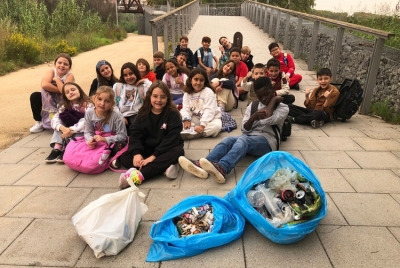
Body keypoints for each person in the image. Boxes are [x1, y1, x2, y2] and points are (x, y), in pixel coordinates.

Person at [179, 77, 289, 184]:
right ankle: (203, 164)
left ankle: (223, 168)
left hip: (268, 142)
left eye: (267, 94)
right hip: (250, 136)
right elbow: (244, 129)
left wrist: (274, 100)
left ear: (273, 90)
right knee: (228, 140)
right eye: (260, 96)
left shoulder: (283, 108)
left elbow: (267, 120)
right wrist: (253, 117)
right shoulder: (253, 105)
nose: (264, 98)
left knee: (244, 141)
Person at [119, 81, 184, 188]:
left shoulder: (173, 114)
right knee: (124, 153)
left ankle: (140, 175)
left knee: (178, 151)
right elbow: (135, 133)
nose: (158, 100)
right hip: (147, 149)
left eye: (163, 97)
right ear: (149, 97)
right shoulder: (143, 112)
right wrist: (136, 153)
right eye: (155, 96)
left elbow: (172, 138)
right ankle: (163, 168)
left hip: (165, 149)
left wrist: (154, 156)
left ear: (167, 98)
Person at [46, 82, 93, 163]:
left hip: (82, 131)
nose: (70, 92)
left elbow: (88, 121)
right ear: (65, 96)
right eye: (67, 92)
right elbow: (54, 120)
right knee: (59, 122)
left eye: (73, 90)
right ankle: (58, 147)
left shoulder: (88, 105)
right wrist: (62, 128)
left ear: (79, 91)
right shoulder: (64, 106)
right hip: (67, 132)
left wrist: (70, 130)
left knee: (83, 120)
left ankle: (69, 147)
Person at [29, 53, 75, 133]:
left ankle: (61, 122)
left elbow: (65, 91)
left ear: (69, 67)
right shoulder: (51, 71)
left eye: (65, 64)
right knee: (35, 96)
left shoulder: (69, 76)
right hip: (49, 98)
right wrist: (59, 89)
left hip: (64, 100)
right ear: (55, 64)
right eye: (59, 63)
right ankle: (40, 122)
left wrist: (57, 80)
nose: (62, 65)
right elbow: (44, 84)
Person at [180, 68, 222, 140]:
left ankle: (194, 133)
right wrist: (186, 120)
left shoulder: (208, 92)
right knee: (178, 120)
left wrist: (202, 125)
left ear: (204, 81)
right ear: (190, 80)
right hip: (195, 118)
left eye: (201, 80)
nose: (198, 83)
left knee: (216, 127)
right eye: (196, 79)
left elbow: (209, 111)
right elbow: (186, 109)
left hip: (210, 119)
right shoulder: (187, 94)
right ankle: (194, 130)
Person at [113, 62, 152, 135]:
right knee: (120, 132)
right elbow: (113, 104)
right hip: (121, 115)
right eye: (125, 75)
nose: (128, 77)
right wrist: (120, 117)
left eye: (131, 73)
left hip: (136, 114)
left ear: (136, 72)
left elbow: (153, 90)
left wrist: (146, 81)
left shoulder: (142, 86)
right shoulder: (118, 86)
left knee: (136, 131)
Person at [84, 86, 127, 151]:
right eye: (99, 99)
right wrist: (90, 140)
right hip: (96, 141)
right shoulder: (89, 112)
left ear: (112, 104)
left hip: (111, 141)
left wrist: (105, 139)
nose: (102, 103)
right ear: (94, 99)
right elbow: (88, 132)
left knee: (119, 147)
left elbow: (123, 136)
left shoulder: (116, 116)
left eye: (107, 101)